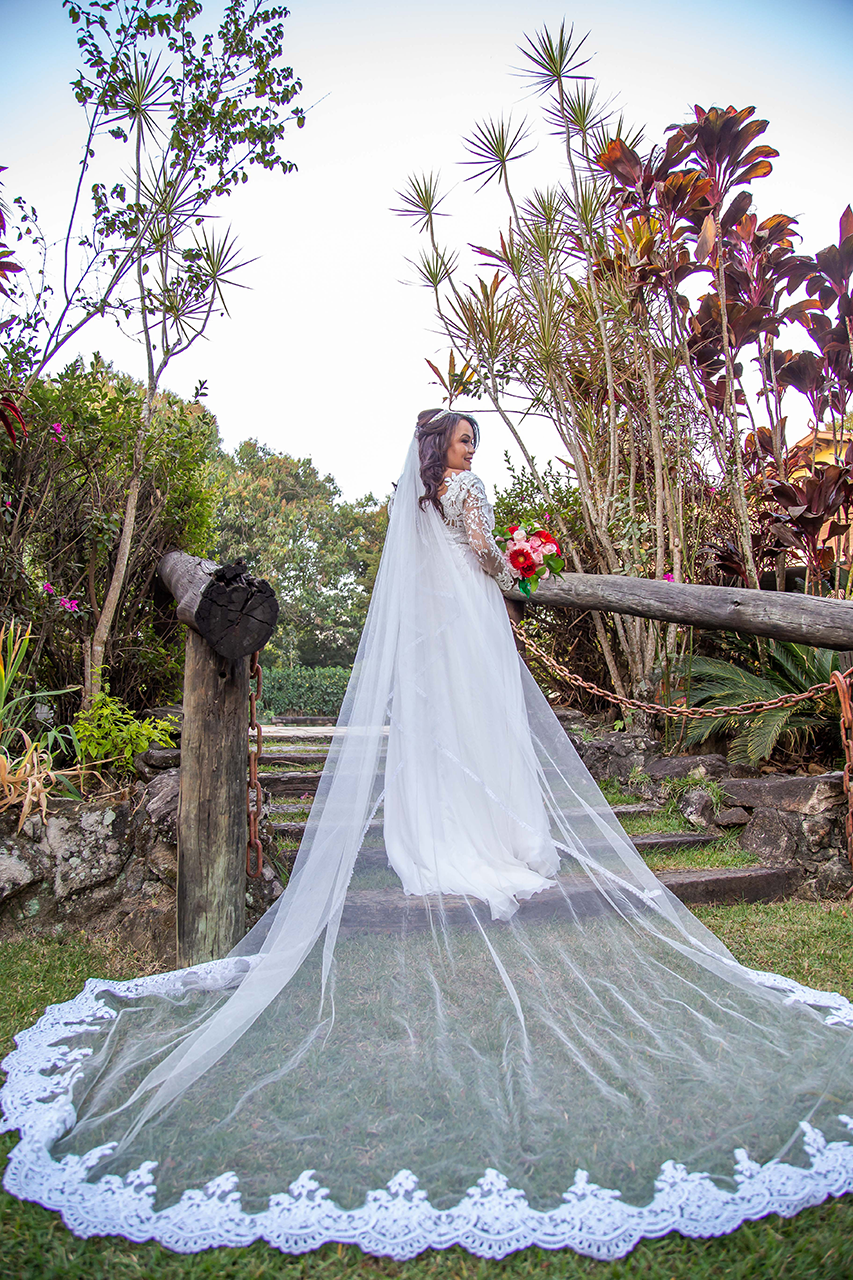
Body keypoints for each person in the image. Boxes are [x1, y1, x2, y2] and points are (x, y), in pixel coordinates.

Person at [3, 409, 853, 1263]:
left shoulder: (413, 500)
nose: (470, 451)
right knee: (479, 723)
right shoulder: (469, 494)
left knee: (449, 730)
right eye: (462, 439)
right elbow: (485, 555)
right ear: (440, 448)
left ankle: (446, 832)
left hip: (434, 626)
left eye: (472, 441)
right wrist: (525, 566)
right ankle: (485, 832)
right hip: (472, 617)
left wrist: (509, 559)